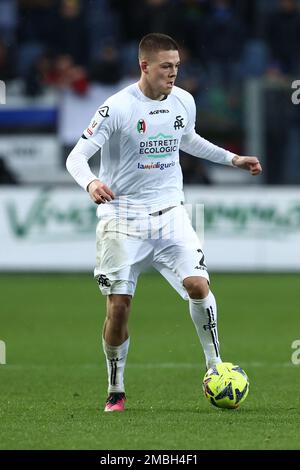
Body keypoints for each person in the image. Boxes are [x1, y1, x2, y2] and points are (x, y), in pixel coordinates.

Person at [66, 33, 262, 412]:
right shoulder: (117, 108)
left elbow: (187, 139)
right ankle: (116, 387)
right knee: (119, 306)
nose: (173, 73)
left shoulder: (183, 101)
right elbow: (77, 156)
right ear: (145, 66)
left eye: (177, 66)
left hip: (171, 212)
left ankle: (214, 366)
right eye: (166, 66)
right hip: (122, 217)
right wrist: (90, 181)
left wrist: (232, 159)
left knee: (198, 284)